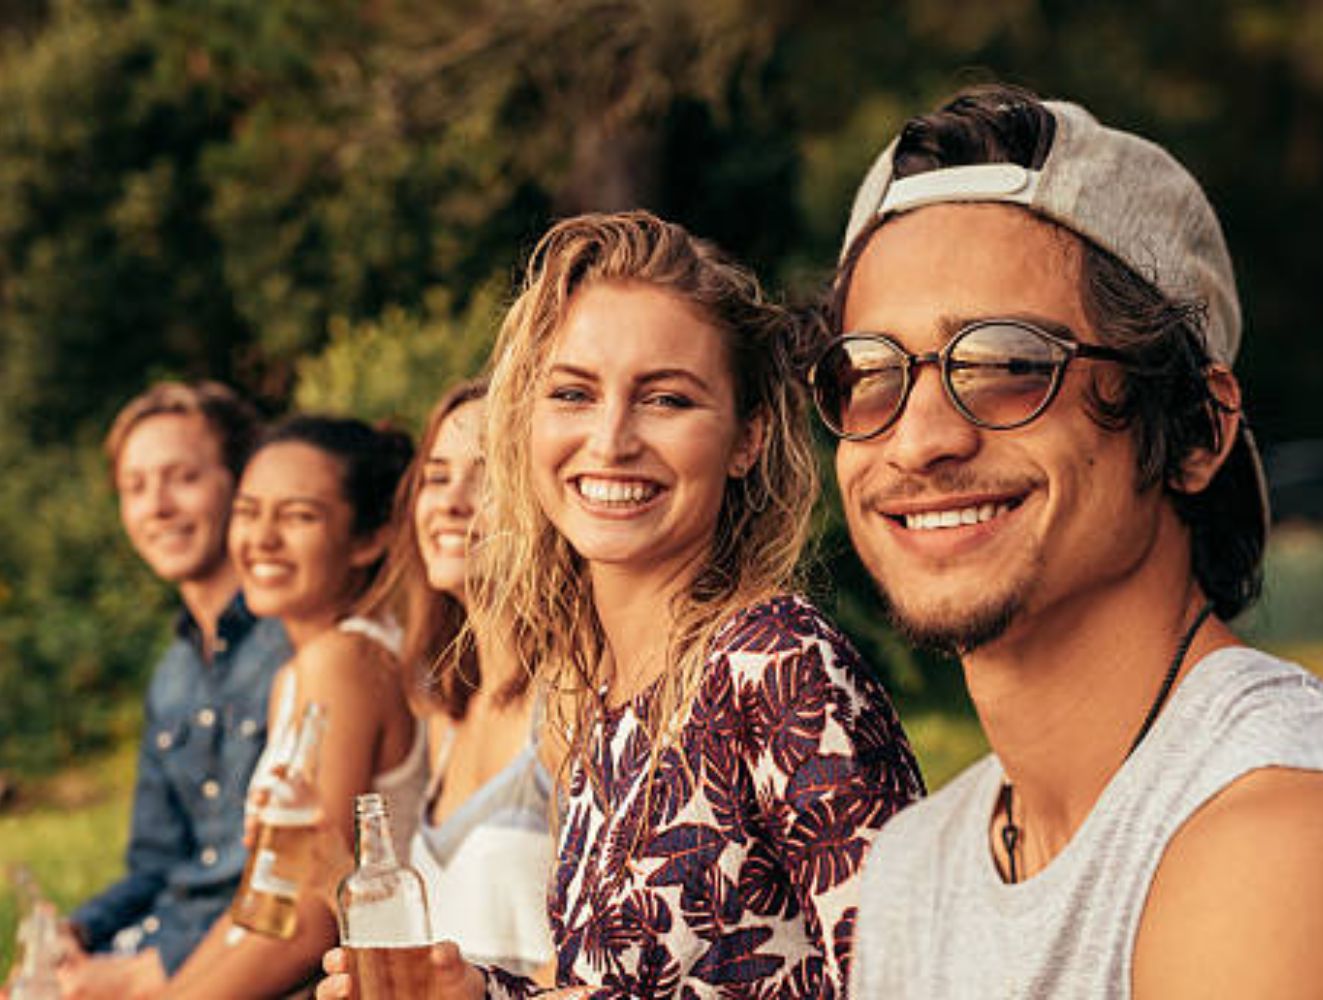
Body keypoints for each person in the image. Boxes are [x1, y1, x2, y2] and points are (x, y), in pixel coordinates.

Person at [806, 84, 1323, 997]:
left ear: (1200, 430)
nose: (920, 437)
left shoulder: (1295, 840)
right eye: (870, 373)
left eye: (1009, 363)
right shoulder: (915, 867)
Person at [318, 210, 924, 999]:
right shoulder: (594, 695)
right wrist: (478, 994)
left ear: (747, 438)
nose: (610, 440)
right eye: (572, 392)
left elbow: (916, 977)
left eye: (666, 400)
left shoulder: (777, 664)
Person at [159, 415, 423, 998]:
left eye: (299, 516)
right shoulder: (297, 673)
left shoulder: (346, 661)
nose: (262, 539)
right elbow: (260, 905)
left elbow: (309, 920)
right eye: (249, 512)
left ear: (368, 539)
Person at [54, 382, 292, 998]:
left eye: (181, 477)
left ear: (241, 484)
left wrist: (143, 976)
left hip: (245, 957)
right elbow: (155, 862)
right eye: (134, 487)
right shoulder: (173, 675)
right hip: (169, 936)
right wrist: (79, 931)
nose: (156, 506)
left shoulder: (298, 642)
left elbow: (293, 881)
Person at [379, 379, 555, 976]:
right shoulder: (446, 713)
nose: (451, 502)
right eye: (435, 477)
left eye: (487, 476)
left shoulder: (572, 699)